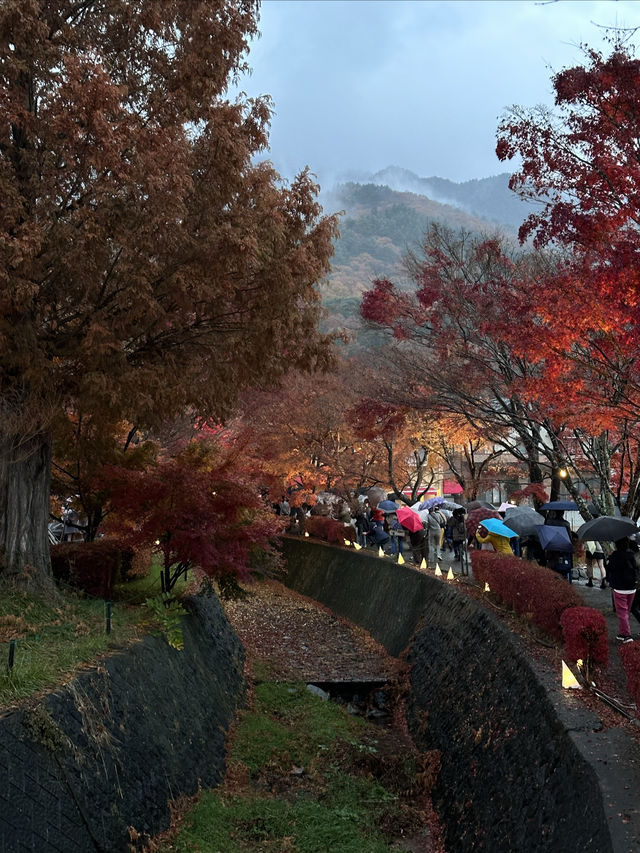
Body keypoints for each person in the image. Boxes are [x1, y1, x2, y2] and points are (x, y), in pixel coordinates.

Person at [605, 538, 637, 643]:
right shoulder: (631, 554)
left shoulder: (615, 555)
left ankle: (627, 635)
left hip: (620, 588)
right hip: (632, 587)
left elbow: (609, 568)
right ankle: (622, 633)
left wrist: (609, 558)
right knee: (626, 612)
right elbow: (635, 568)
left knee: (622, 613)